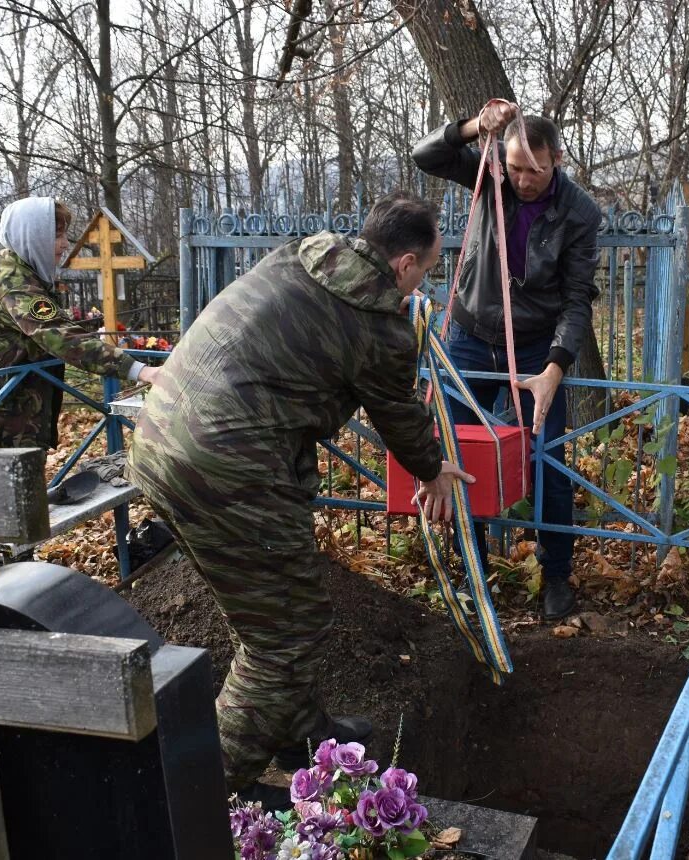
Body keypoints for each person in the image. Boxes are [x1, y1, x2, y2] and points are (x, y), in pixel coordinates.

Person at [126, 191, 473, 808]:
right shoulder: (379, 322)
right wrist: (432, 470)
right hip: (227, 464)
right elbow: (399, 413)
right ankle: (189, 809)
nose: (430, 279)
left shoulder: (302, 257)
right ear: (405, 264)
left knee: (276, 608)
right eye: (430, 267)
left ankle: (301, 736)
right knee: (284, 640)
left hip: (161, 441)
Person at [412, 101, 601, 620]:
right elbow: (424, 155)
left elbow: (576, 298)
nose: (522, 180)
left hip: (538, 346)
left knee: (548, 461)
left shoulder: (580, 213)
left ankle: (557, 574)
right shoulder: (490, 175)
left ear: (557, 160)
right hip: (471, 334)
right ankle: (470, 569)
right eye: (514, 167)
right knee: (459, 455)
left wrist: (553, 371)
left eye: (535, 170)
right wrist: (475, 128)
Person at [0, 196, 158, 449]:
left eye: (64, 235)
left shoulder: (25, 269)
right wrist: (139, 370)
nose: (65, 244)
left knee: (22, 478)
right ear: (32, 235)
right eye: (57, 236)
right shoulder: (11, 278)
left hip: (13, 399)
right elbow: (57, 334)